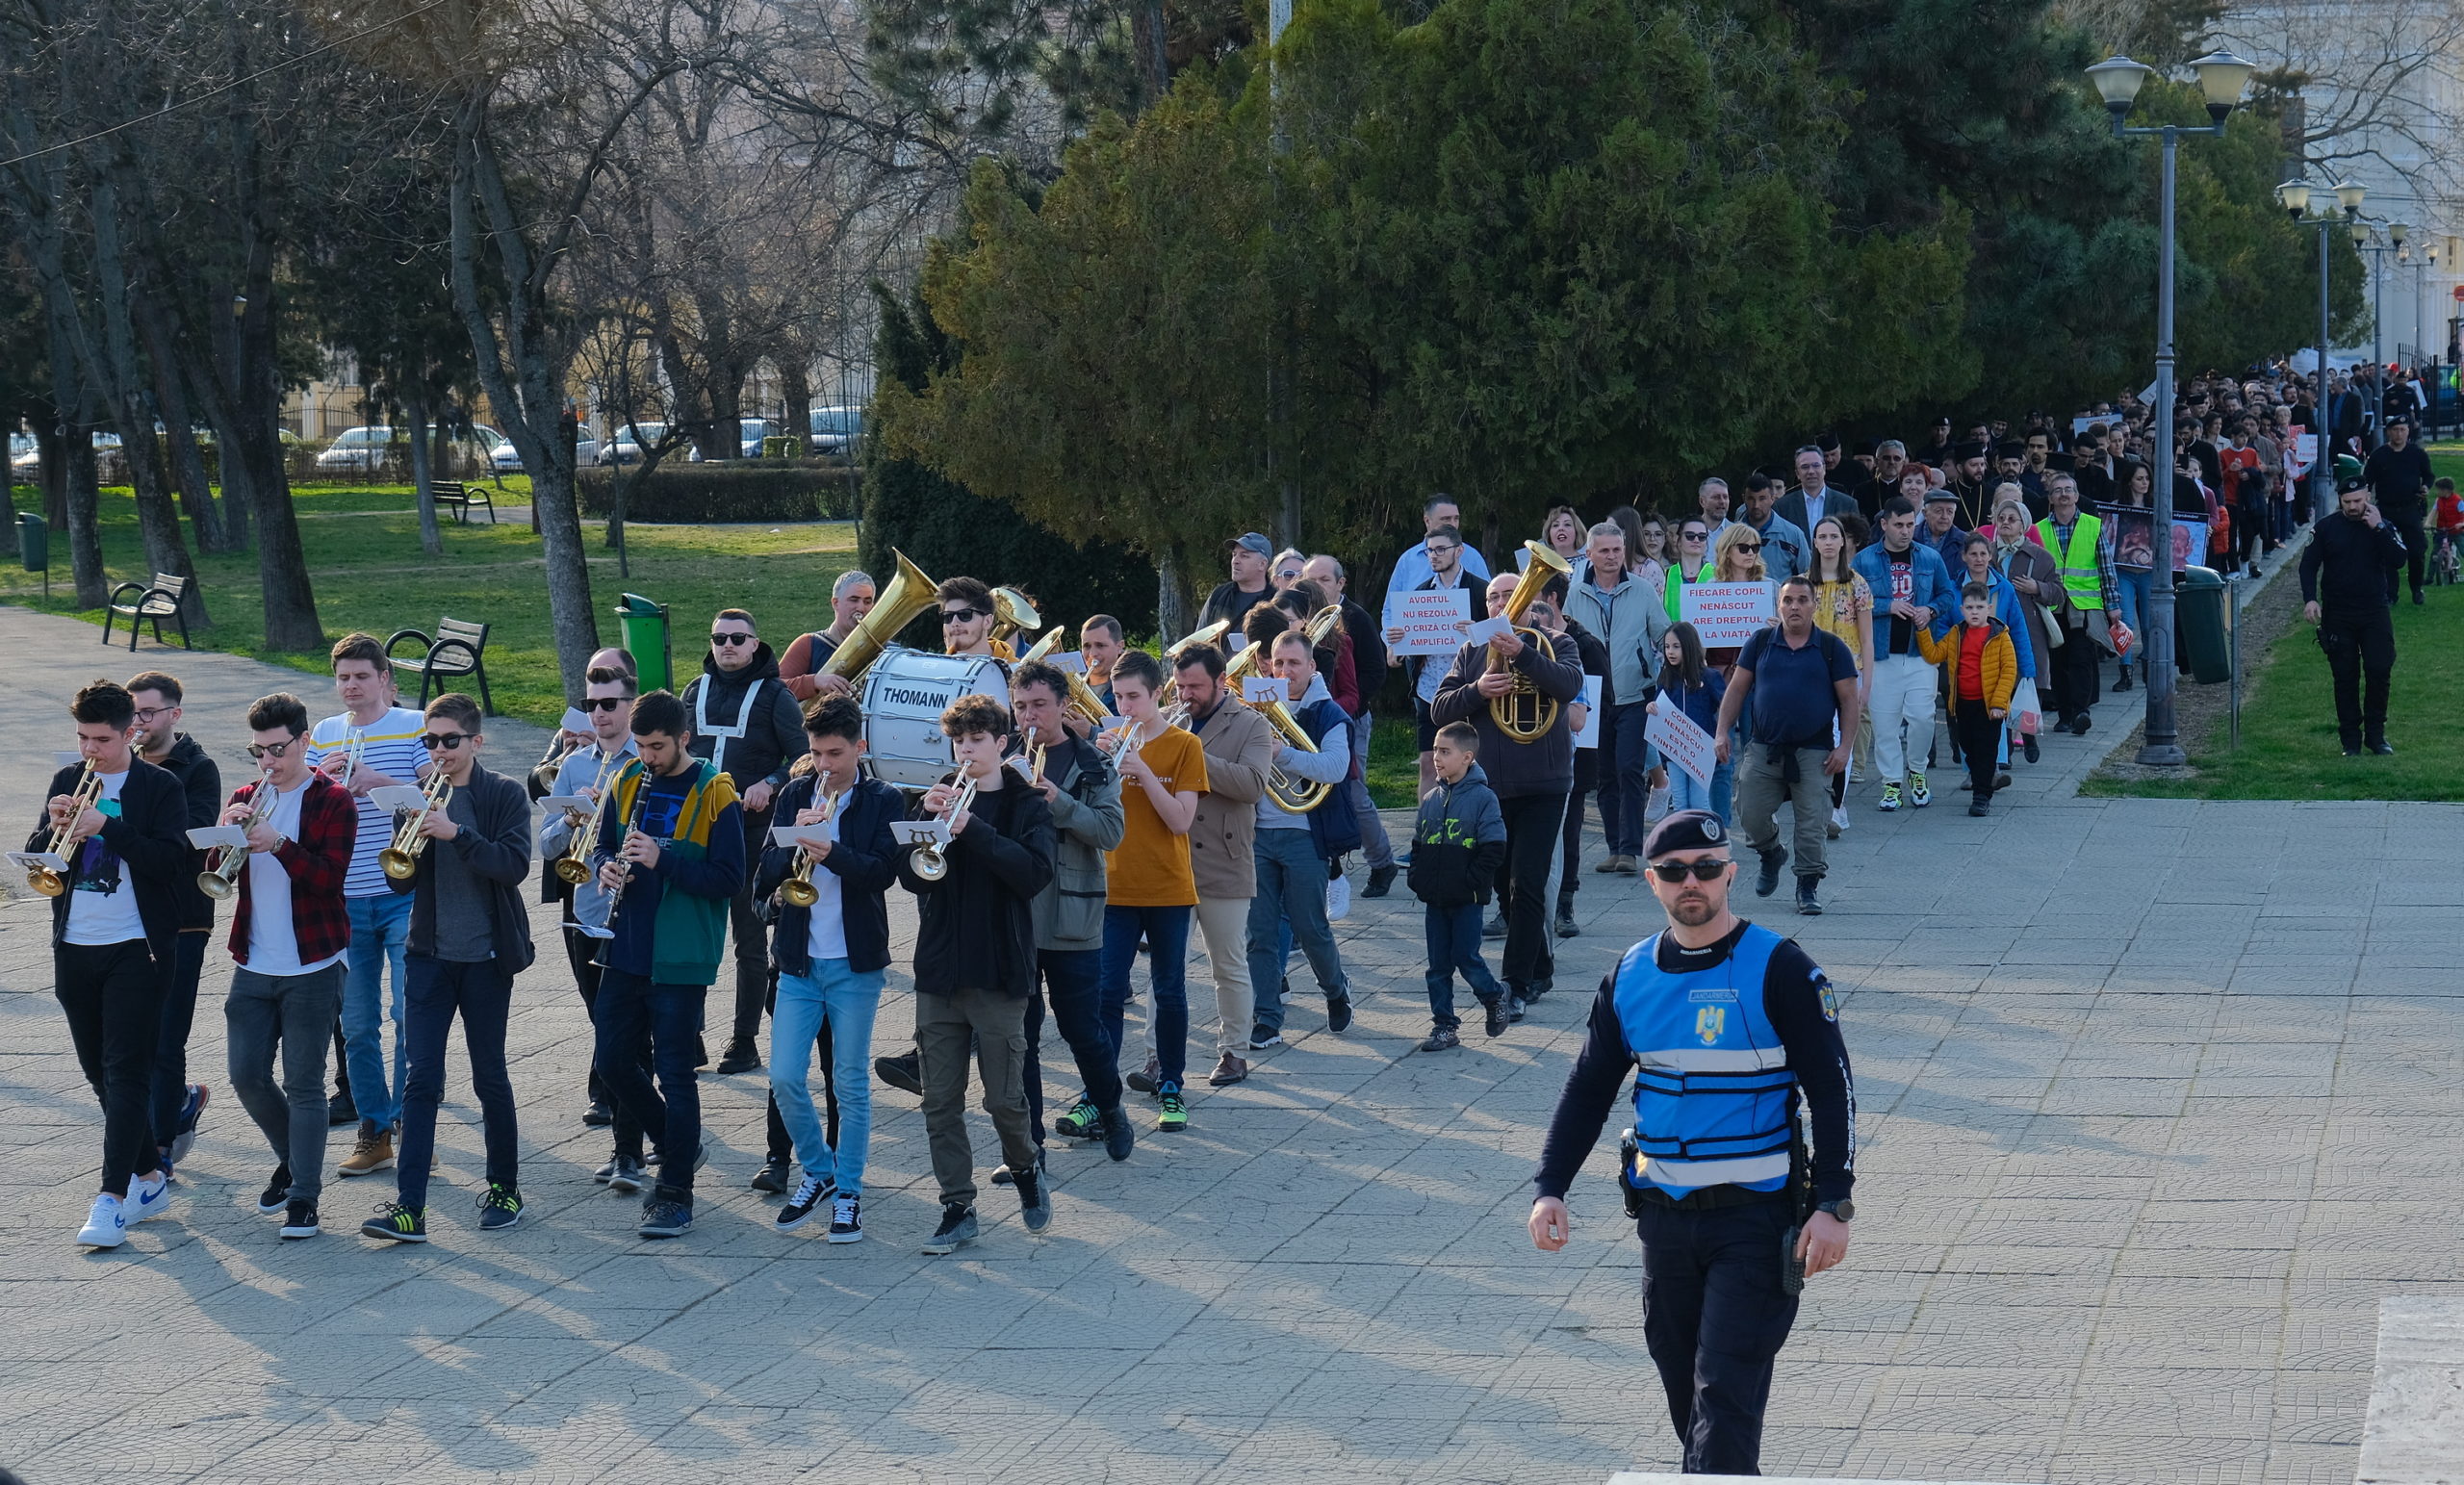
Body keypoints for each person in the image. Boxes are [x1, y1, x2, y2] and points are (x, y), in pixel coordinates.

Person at [1527, 808, 1856, 1477]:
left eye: (1706, 869)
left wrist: (1833, 1202)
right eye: (1675, 872)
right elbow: (1589, 1087)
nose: (1692, 883)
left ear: (1730, 873)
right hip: (1665, 1223)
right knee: (1690, 1397)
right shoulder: (1630, 975)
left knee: (1722, 1393)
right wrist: (1549, 1187)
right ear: (1652, 881)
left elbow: (1833, 1089)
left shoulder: (1781, 968)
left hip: (1756, 1221)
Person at [360, 694, 535, 1244]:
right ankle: (410, 1206)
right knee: (420, 1080)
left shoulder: (503, 794)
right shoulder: (415, 798)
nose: (439, 750)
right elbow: (398, 880)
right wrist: (408, 830)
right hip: (428, 957)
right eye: (430, 742)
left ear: (475, 742)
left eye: (450, 741)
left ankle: (505, 1188)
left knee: (490, 1076)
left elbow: (513, 867)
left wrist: (457, 833)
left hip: (485, 959)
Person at [586, 689, 747, 1241]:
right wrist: (607, 867)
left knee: (677, 1074)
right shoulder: (626, 779)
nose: (648, 757)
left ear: (684, 739)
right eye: (640, 746)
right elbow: (604, 846)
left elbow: (729, 879)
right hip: (626, 945)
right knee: (611, 1062)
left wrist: (664, 859)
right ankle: (679, 1144)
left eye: (657, 746)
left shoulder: (715, 792)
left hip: (680, 955)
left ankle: (675, 1193)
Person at [36, 679, 191, 1248]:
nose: (90, 751)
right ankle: (150, 1176)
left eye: (100, 739)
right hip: (75, 944)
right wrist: (50, 827)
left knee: (127, 1072)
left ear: (131, 731)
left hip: (137, 947)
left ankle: (113, 1199)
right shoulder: (65, 781)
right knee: (98, 1072)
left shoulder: (160, 786)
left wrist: (110, 827)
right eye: (82, 738)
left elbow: (170, 863)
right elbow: (44, 860)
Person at [904, 693, 1056, 1256]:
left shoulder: (1027, 804)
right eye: (958, 741)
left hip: (998, 972)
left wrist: (971, 828)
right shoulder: (936, 800)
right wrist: (927, 821)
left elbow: (1033, 873)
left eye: (976, 740)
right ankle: (957, 1206)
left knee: (1004, 1100)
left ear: (1001, 743)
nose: (966, 750)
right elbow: (914, 880)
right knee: (939, 1100)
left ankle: (1024, 1165)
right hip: (940, 971)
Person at [754, 696, 902, 1243]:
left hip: (854, 965)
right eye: (816, 753)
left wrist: (829, 850)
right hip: (798, 962)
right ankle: (818, 1171)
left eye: (834, 753)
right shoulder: (797, 793)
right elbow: (767, 872)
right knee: (786, 1077)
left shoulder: (883, 798)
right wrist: (794, 833)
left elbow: (883, 873)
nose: (824, 765)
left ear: (859, 748)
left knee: (850, 1083)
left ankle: (849, 1191)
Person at [217, 692, 355, 1241]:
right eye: (259, 751)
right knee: (246, 1075)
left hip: (315, 962)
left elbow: (329, 880)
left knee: (304, 1083)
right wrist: (226, 834)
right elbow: (218, 875)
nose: (268, 762)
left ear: (303, 741)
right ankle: (295, 1159)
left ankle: (305, 1199)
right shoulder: (248, 795)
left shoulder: (332, 800)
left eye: (278, 749)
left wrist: (279, 845)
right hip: (254, 960)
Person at [1432, 571, 1584, 1017]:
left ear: (1531, 599)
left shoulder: (1558, 643)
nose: (1503, 604)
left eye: (1512, 595)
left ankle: (1515, 984)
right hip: (1489, 787)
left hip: (1545, 784)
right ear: (1486, 608)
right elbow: (1440, 709)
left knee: (1528, 883)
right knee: (1502, 884)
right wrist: (1477, 690)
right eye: (1495, 598)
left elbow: (1569, 686)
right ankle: (1539, 967)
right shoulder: (1472, 650)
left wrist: (1524, 655)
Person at [306, 634, 427, 1177]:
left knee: (409, 1013)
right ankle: (374, 1128)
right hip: (345, 896)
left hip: (402, 890)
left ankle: (411, 1121)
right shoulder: (326, 733)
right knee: (356, 1024)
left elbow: (438, 798)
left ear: (385, 679)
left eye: (361, 676)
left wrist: (381, 781)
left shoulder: (415, 724)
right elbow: (301, 804)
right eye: (343, 678)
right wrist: (321, 783)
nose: (351, 687)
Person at [1005, 663, 1136, 1152]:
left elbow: (1110, 832)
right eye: (1021, 706)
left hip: (1071, 915)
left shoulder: (1093, 763)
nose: (1029, 716)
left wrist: (1058, 799)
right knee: (1022, 1037)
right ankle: (1030, 1144)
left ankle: (1110, 1110)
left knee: (1082, 1029)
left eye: (1039, 705)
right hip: (1015, 916)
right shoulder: (1001, 759)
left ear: (1064, 706)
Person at [679, 607, 804, 1076]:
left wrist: (770, 782)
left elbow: (803, 757)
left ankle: (745, 1040)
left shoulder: (775, 695)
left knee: (748, 942)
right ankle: (690, 1036)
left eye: (737, 638)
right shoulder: (693, 690)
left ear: (755, 644)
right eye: (719, 638)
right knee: (691, 937)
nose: (727, 645)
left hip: (752, 835)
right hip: (695, 833)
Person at [1089, 649, 1209, 1127]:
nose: (1126, 708)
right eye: (1118, 697)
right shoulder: (1107, 743)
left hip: (1168, 889)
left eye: (1134, 697)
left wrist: (1141, 772)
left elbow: (1181, 820)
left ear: (1157, 694)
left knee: (1170, 990)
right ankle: (1100, 1091)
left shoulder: (1184, 745)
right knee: (1106, 993)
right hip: (1113, 888)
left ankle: (1172, 1083)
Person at [538, 665, 646, 1180]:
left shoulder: (645, 760)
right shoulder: (576, 765)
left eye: (609, 703)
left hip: (633, 913)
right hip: (585, 912)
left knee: (625, 1034)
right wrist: (569, 820)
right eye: (592, 704)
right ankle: (646, 1134)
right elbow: (545, 844)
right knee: (605, 1025)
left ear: (631, 704)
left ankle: (628, 1148)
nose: (598, 714)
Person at [1713, 576, 1860, 915]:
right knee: (1749, 810)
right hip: (1765, 747)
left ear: (1814, 605)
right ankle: (1771, 853)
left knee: (1813, 823)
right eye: (1788, 600)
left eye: (1802, 600)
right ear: (1778, 606)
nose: (1794, 606)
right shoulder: (1761, 642)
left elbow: (1850, 701)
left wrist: (1845, 748)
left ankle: (1807, 885)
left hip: (1815, 752)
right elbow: (1736, 690)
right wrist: (1722, 732)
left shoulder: (1831, 648)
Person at [1245, 629, 1362, 1046]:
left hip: (1303, 833)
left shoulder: (1328, 713)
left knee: (1311, 927)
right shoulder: (1253, 707)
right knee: (1258, 932)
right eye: (1277, 662)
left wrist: (1283, 754)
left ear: (1312, 667)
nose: (1285, 671)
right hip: (1258, 832)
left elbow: (1334, 767)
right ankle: (1266, 1017)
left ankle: (1336, 989)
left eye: (1294, 663)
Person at [125, 670, 219, 1180]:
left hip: (181, 919)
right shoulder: (115, 764)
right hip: (123, 916)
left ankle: (160, 1147)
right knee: (128, 1039)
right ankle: (178, 1103)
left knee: (165, 1039)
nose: (136, 722)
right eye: (131, 712)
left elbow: (189, 837)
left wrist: (118, 826)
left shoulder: (197, 768)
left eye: (147, 712)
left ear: (173, 715)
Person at [1168, 643, 1280, 1057]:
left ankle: (1234, 1052)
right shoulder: (1167, 721)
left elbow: (1252, 785)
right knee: (1166, 969)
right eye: (1180, 687)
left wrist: (1190, 752)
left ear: (1221, 681)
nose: (1185, 696)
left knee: (1228, 966)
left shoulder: (1251, 724)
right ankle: (1156, 1056)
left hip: (1224, 857)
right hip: (1172, 860)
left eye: (1195, 686)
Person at [1563, 521, 1666, 875]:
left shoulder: (1641, 590)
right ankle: (1613, 847)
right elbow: (1565, 640)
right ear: (1588, 554)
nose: (1611, 557)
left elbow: (1663, 634)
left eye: (1617, 550)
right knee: (1603, 774)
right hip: (1593, 697)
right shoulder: (1574, 593)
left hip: (1635, 694)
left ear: (1625, 551)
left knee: (1629, 769)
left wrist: (1668, 670)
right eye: (1603, 550)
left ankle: (1630, 850)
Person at [1852, 496, 1959, 811]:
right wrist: (1887, 605)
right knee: (1885, 724)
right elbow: (1854, 602)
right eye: (1898, 525)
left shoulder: (1929, 558)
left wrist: (1930, 609)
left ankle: (1917, 771)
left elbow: (1948, 594)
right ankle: (1890, 783)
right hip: (1881, 654)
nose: (1905, 531)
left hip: (1920, 652)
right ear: (1884, 525)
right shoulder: (1864, 560)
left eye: (1910, 525)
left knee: (1923, 717)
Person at [1410, 721, 1508, 1050]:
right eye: (1436, 750)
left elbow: (1494, 847)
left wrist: (1472, 881)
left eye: (1445, 751)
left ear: (1467, 757)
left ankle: (1494, 996)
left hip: (1466, 898)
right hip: (1435, 899)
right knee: (1437, 965)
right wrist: (1417, 877)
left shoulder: (1484, 799)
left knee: (1466, 958)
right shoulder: (1431, 799)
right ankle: (1444, 1025)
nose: (1437, 757)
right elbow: (1418, 844)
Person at [1302, 553, 1396, 896]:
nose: (1316, 586)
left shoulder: (1353, 621)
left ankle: (1381, 861)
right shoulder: (1293, 632)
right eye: (1310, 580)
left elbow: (1369, 678)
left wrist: (1329, 713)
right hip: (1307, 725)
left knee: (1354, 795)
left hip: (1347, 722)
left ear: (1340, 583)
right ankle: (1330, 867)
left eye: (1324, 579)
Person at [2299, 484, 2409, 755]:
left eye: (2357, 500)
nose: (2352, 506)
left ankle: (2376, 735)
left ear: (2368, 497)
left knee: (2379, 670)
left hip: (2374, 611)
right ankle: (2350, 739)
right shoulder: (2327, 528)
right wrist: (2310, 598)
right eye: (2347, 501)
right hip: (2339, 613)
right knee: (2345, 677)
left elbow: (2399, 559)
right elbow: (2308, 564)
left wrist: (2379, 528)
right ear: (2340, 500)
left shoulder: (2383, 525)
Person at [1386, 525, 1484, 800]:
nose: (1434, 556)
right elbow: (1404, 650)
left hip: (1469, 688)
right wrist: (1398, 642)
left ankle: (1473, 826)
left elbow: (1500, 635)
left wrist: (1475, 629)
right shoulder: (1418, 593)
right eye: (1430, 551)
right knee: (1430, 763)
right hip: (1429, 689)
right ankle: (1425, 833)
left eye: (1441, 549)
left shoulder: (1479, 590)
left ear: (1459, 551)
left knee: (1473, 762)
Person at [1537, 577, 1610, 938]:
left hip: (1574, 753)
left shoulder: (1584, 646)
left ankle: (1564, 903)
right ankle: (1509, 909)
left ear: (1551, 599)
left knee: (1569, 830)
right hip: (1527, 755)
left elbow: (1600, 703)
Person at [1916, 584, 2019, 816]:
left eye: (1980, 607)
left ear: (1989, 609)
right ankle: (1982, 779)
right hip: (1962, 704)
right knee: (1968, 748)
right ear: (1961, 609)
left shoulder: (2000, 636)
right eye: (1970, 607)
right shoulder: (1956, 634)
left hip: (1989, 706)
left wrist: (1998, 704)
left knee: (1986, 750)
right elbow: (1934, 654)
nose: (1975, 612)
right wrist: (1922, 630)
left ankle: (1981, 796)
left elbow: (2008, 671)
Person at [1807, 518, 1873, 832]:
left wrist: (1867, 684)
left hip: (1848, 672)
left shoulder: (1857, 584)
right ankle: (1817, 802)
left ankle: (1837, 806)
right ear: (1815, 542)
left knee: (1840, 737)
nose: (1830, 542)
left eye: (1835, 536)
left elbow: (1867, 639)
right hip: (1810, 672)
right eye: (1823, 536)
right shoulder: (1804, 584)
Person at [2037, 474, 2114, 736]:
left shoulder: (2093, 525)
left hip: (2084, 606)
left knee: (2082, 657)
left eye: (2069, 489)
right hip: (2052, 605)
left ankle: (2082, 711)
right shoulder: (2039, 529)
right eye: (2058, 490)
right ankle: (2064, 714)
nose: (2064, 494)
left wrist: (2113, 604)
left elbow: (2106, 567)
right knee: (2058, 661)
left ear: (2077, 496)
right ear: (2050, 498)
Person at [1647, 623, 1727, 819]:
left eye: (1676, 646)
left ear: (1689, 646)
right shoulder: (1666, 676)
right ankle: (1685, 845)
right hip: (1674, 749)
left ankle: (1706, 843)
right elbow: (1658, 703)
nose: (1670, 652)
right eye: (1667, 647)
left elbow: (1725, 705)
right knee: (1681, 802)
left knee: (1700, 802)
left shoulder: (1709, 676)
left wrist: (1721, 734)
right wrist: (1651, 707)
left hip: (1701, 750)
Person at [2361, 416, 2436, 603]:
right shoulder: (2379, 455)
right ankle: (2390, 594)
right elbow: (2367, 481)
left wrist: (2426, 487)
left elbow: (2428, 476)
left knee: (2417, 551)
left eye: (2403, 430)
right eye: (2395, 430)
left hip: (2410, 509)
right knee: (2387, 552)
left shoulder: (2416, 453)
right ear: (2389, 432)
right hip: (2387, 510)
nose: (2399, 434)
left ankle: (2416, 588)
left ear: (2408, 431)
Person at [2096, 460, 2156, 694]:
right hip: (2123, 571)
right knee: (2125, 623)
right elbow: (2106, 538)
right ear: (2129, 480)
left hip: (2150, 573)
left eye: (2147, 479)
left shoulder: (2157, 506)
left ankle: (2150, 667)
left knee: (2151, 624)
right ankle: (2126, 671)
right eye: (2140, 478)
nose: (2144, 483)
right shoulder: (2114, 508)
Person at [1381, 495, 1494, 613]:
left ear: (1459, 551)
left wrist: (1474, 628)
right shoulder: (1407, 561)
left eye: (1456, 518)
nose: (1453, 524)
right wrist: (1392, 631)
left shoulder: (1473, 557)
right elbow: (1391, 609)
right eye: (1446, 519)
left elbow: (1490, 603)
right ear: (1427, 521)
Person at [777, 570, 878, 702]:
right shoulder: (808, 644)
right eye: (854, 600)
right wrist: (814, 682)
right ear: (835, 603)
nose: (861, 608)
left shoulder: (881, 651)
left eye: (867, 602)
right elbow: (773, 689)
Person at [1199, 532, 1278, 631]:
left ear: (1262, 564)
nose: (1235, 561)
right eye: (1234, 554)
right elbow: (1198, 641)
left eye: (1244, 556)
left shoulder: (1277, 600)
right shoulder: (1219, 595)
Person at [1738, 474, 1810, 582]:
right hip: (1743, 597)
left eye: (1762, 499)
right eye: (1751, 499)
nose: (1756, 505)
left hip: (1780, 597)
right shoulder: (1732, 535)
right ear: (1744, 499)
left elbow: (1806, 573)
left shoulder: (1793, 534)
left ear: (1772, 498)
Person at [1778, 444, 1857, 534]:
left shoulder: (1847, 504)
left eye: (1816, 465)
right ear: (1797, 473)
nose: (1811, 471)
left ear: (1824, 469)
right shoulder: (1782, 507)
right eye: (1805, 467)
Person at [1661, 517, 1716, 622]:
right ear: (1679, 541)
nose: (1696, 540)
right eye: (1690, 536)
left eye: (1702, 537)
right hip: (1672, 636)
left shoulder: (1719, 576)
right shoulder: (1665, 575)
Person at [936, 576, 1003, 659]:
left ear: (988, 621)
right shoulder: (934, 670)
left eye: (965, 615)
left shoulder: (1015, 670)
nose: (954, 623)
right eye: (948, 616)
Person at [1078, 614, 1126, 712]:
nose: (1092, 654)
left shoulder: (1131, 686)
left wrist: (1090, 728)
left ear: (1119, 647)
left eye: (1100, 645)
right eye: (1086, 646)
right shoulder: (1070, 685)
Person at [1919, 487, 1968, 571]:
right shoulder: (1911, 538)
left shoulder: (1964, 541)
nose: (1945, 517)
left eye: (1949, 512)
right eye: (1939, 511)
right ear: (1925, 513)